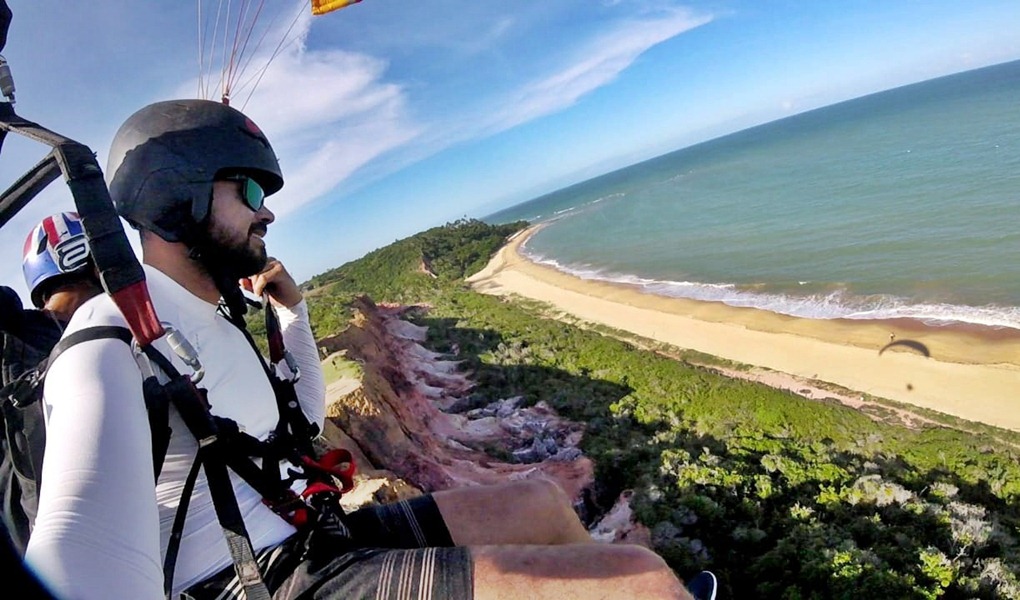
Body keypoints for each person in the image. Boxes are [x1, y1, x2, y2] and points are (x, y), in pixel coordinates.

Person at [24, 99, 692, 600]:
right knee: (643, 581)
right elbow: (75, 556)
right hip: (261, 580)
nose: (268, 211)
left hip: (308, 538)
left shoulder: (208, 319)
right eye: (251, 189)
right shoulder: (108, 341)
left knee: (541, 502)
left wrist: (293, 312)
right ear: (177, 194)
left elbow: (302, 424)